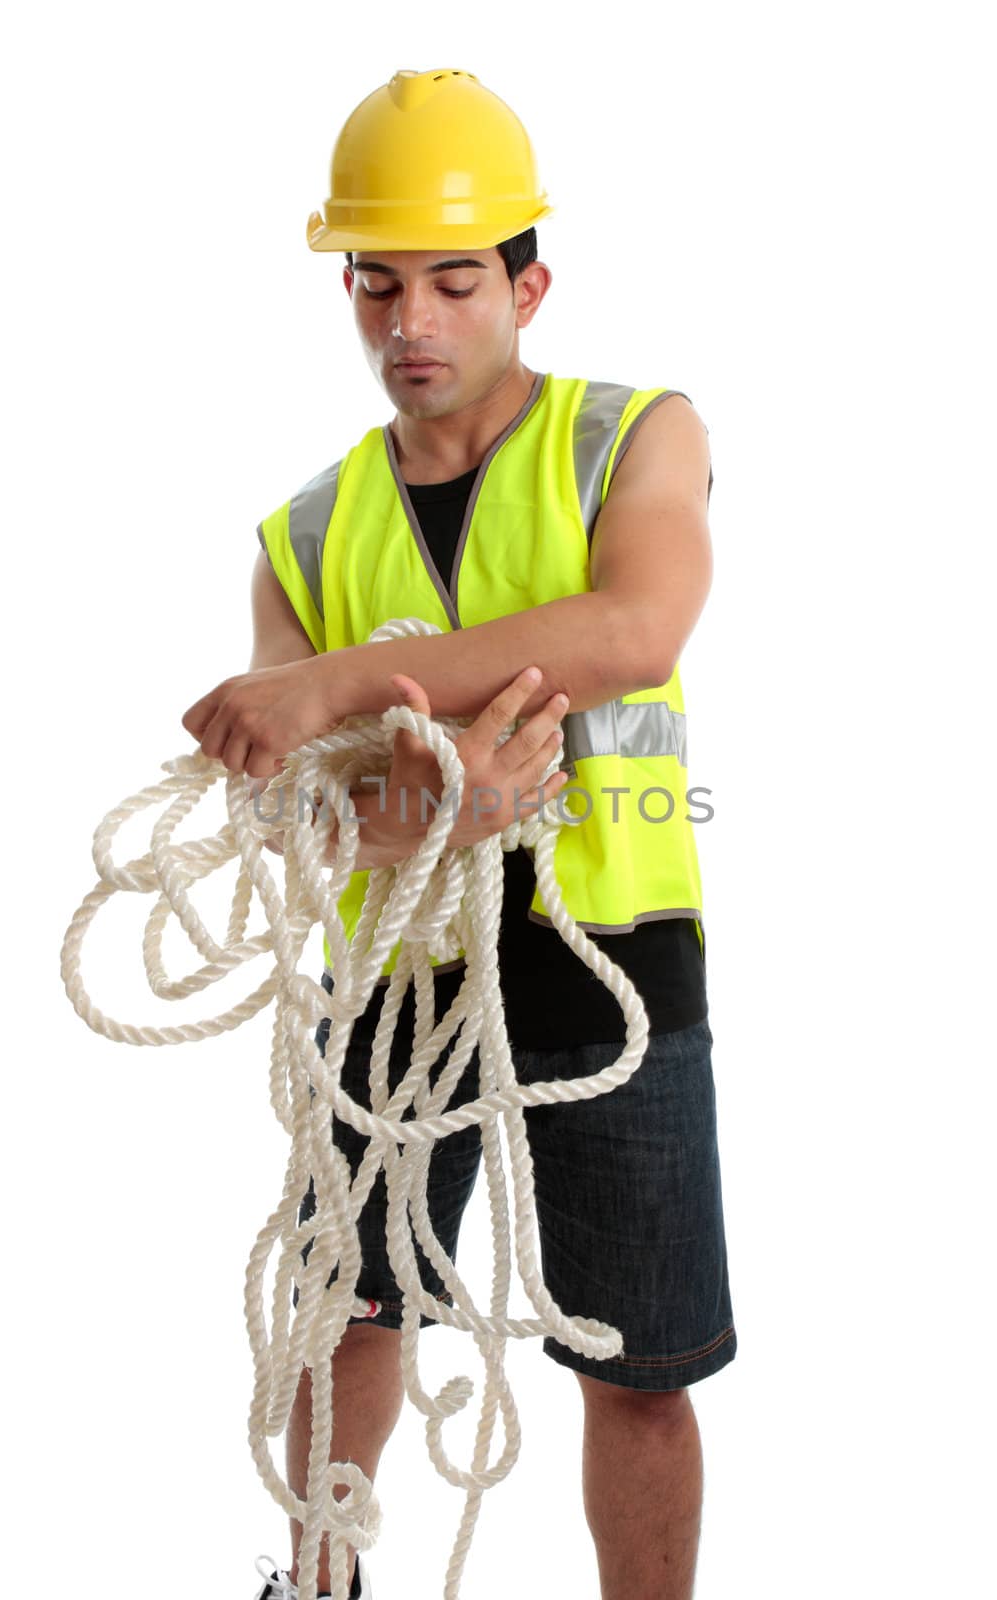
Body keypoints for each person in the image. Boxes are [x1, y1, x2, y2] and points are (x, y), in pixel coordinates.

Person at [182, 67, 737, 1600]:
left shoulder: (636, 436)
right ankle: (317, 1584)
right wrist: (424, 820)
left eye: (452, 278)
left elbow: (639, 624)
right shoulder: (305, 534)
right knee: (344, 1312)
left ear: (528, 284)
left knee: (635, 1357)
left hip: (613, 954)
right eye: (376, 281)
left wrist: (338, 686)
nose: (409, 319)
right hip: (396, 972)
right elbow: (307, 818)